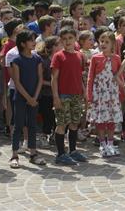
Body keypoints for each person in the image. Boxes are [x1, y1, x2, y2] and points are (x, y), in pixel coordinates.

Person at [51, 27, 88, 166]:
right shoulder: (58, 56)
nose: (67, 41)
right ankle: (61, 154)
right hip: (63, 95)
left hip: (77, 95)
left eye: (70, 38)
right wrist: (56, 97)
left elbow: (79, 76)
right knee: (62, 123)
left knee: (74, 123)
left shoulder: (80, 56)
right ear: (61, 40)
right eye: (64, 39)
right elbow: (54, 78)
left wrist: (84, 92)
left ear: (75, 38)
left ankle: (73, 151)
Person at [9, 30, 45, 168]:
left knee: (32, 125)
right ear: (23, 43)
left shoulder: (37, 59)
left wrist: (34, 97)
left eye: (34, 39)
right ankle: (14, 155)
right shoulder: (16, 60)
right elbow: (17, 82)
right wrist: (28, 98)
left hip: (34, 98)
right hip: (20, 98)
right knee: (18, 125)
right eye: (31, 40)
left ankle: (33, 153)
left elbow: (40, 79)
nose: (34, 42)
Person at [87, 31, 122, 158]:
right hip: (99, 94)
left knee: (111, 119)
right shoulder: (95, 58)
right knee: (101, 120)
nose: (103, 44)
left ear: (113, 44)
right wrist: (89, 94)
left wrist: (122, 92)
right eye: (102, 41)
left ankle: (111, 143)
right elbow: (90, 77)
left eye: (107, 42)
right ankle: (102, 144)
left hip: (112, 93)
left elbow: (120, 76)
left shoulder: (116, 58)